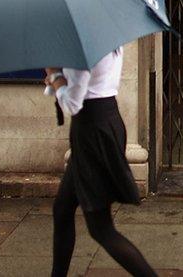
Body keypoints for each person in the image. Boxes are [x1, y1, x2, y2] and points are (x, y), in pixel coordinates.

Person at [44, 47, 156, 277]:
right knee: (63, 209)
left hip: (91, 132)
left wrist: (55, 76)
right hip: (104, 122)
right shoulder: (104, 39)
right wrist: (57, 80)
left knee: (101, 228)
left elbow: (73, 104)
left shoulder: (83, 49)